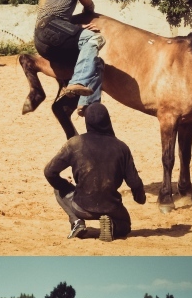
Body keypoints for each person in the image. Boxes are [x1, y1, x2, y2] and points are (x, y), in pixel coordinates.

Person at [44, 99, 147, 240]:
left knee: (58, 188)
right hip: (111, 207)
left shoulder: (75, 143)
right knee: (125, 226)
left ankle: (76, 222)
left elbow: (49, 172)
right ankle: (113, 226)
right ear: (107, 121)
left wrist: (63, 183)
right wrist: (140, 197)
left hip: (81, 207)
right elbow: (134, 182)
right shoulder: (121, 147)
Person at [31, 0, 104, 115]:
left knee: (96, 63)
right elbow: (89, 5)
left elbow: (55, 15)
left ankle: (87, 104)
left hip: (41, 39)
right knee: (94, 38)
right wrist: (87, 15)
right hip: (52, 26)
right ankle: (77, 81)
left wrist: (75, 27)